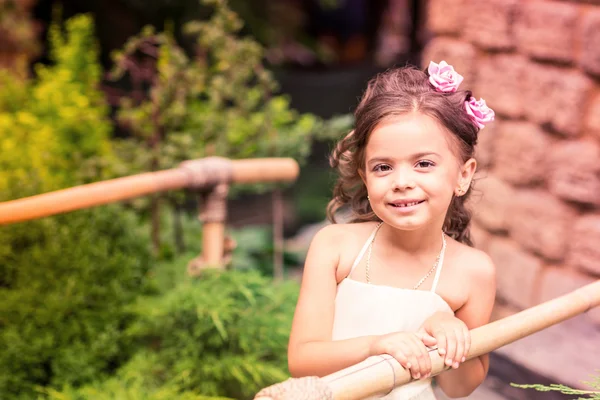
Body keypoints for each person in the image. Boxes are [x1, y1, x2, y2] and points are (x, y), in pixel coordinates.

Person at [287, 61, 497, 399]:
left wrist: (448, 333)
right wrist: (376, 346)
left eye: (424, 164)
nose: (402, 183)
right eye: (383, 167)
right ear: (365, 175)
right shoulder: (335, 247)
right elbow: (302, 360)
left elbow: (460, 388)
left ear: (463, 174)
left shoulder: (473, 271)